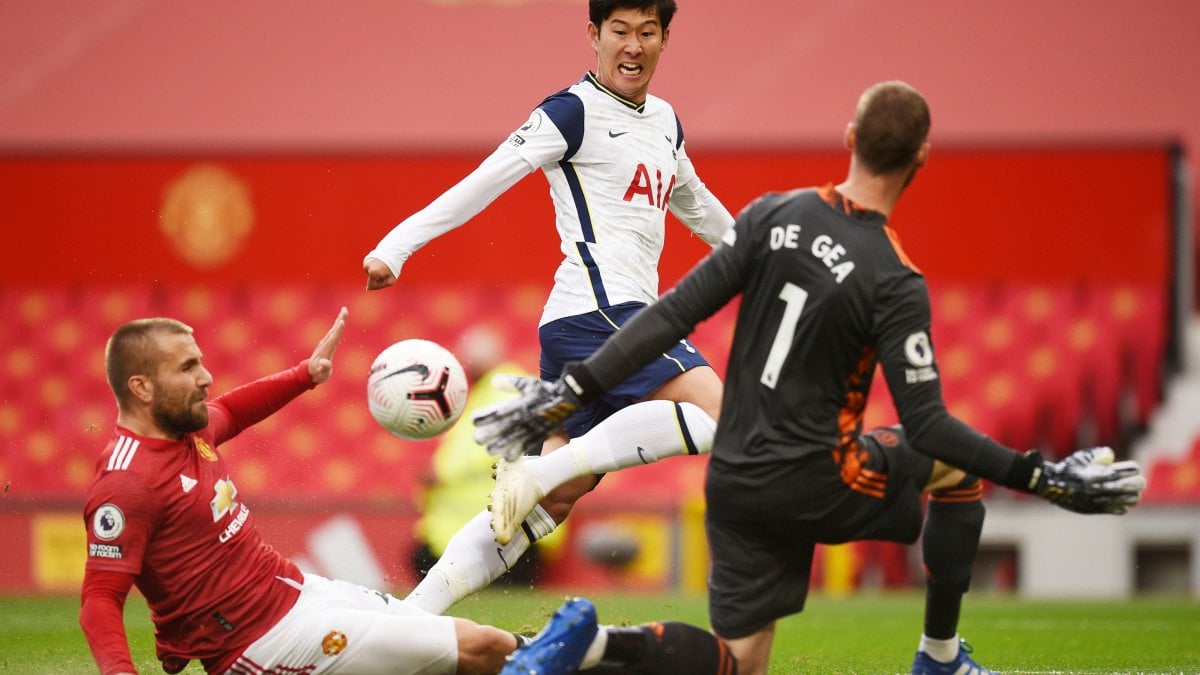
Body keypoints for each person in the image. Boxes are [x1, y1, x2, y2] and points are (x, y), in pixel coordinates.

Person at [474, 81, 1147, 675]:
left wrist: (567, 395)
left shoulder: (771, 216)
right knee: (954, 469)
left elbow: (670, 313)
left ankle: (598, 645)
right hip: (820, 475)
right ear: (921, 160)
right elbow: (929, 425)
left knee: (735, 662)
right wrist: (1042, 476)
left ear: (850, 138)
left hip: (735, 476)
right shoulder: (895, 278)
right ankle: (940, 657)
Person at [79, 309, 736, 675]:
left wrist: (305, 375)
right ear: (140, 387)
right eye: (188, 366)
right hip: (259, 641)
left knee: (463, 640)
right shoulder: (126, 483)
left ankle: (622, 649)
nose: (207, 375)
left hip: (297, 593)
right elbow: (100, 599)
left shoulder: (191, 430)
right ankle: (624, 649)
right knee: (479, 650)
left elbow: (232, 410)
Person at [363, 0, 733, 614]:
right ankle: (533, 473)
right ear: (594, 35)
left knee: (547, 506)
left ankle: (408, 619)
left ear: (666, 40)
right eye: (619, 31)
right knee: (728, 416)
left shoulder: (666, 122)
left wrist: (767, 253)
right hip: (601, 311)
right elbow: (488, 177)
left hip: (593, 321)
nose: (633, 46)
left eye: (647, 33)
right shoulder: (572, 112)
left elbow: (695, 204)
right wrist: (396, 247)